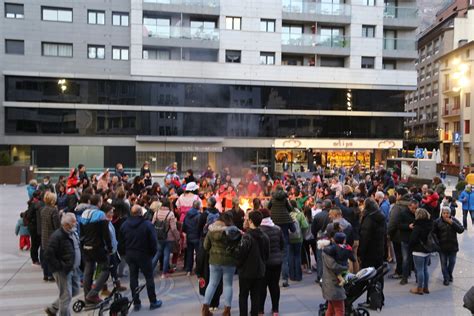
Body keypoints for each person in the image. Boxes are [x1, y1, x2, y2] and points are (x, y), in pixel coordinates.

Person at [120, 204, 162, 311]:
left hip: (130, 254)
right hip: (144, 255)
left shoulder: (125, 225)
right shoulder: (147, 225)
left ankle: (136, 302)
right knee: (149, 278)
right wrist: (152, 253)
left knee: (133, 278)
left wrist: (124, 253)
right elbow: (153, 242)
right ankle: (153, 301)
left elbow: (121, 242)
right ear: (140, 213)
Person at [44, 213, 81, 316]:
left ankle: (53, 308)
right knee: (66, 296)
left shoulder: (72, 233)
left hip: (73, 268)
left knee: (75, 290)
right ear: (67, 224)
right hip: (63, 271)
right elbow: (48, 254)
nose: (76, 223)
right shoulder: (57, 236)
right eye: (74, 222)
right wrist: (61, 266)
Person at [202, 212, 238, 316]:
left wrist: (212, 252)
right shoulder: (233, 231)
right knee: (228, 285)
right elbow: (237, 246)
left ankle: (205, 309)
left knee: (212, 284)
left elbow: (205, 246)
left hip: (214, 260)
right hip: (229, 261)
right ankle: (227, 311)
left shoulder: (211, 230)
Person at [235, 211, 270, 316]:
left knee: (243, 296)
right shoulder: (264, 236)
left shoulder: (246, 237)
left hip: (246, 271)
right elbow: (266, 255)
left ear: (250, 221)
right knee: (255, 296)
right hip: (259, 271)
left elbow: (240, 254)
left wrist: (239, 265)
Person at [80, 194, 112, 304]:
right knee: (105, 269)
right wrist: (110, 247)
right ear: (99, 202)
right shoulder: (100, 215)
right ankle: (93, 294)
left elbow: (82, 232)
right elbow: (105, 234)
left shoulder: (84, 213)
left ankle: (87, 295)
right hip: (97, 246)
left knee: (88, 270)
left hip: (86, 246)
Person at [267, 185, 295, 287]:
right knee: (284, 259)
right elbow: (290, 208)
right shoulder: (285, 199)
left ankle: (272, 278)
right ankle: (284, 279)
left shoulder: (273, 198)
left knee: (271, 256)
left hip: (274, 233)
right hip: (285, 236)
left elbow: (268, 207)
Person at [258, 208, 284, 316]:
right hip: (276, 262)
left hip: (264, 263)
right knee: (274, 286)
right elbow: (282, 244)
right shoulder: (277, 229)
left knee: (262, 288)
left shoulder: (259, 230)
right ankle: (275, 310)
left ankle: (260, 310)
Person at [433, 206, 464, 286]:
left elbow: (461, 229)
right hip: (442, 247)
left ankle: (449, 274)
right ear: (441, 213)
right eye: (444, 213)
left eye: (447, 213)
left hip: (453, 246)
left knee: (452, 262)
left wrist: (452, 223)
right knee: (443, 263)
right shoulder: (437, 222)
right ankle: (446, 278)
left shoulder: (453, 220)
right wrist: (437, 242)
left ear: (450, 214)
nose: (446, 215)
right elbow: (433, 233)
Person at [152, 200, 180, 278]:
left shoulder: (156, 212)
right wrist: (177, 237)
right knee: (166, 254)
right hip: (168, 237)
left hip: (158, 236)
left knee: (158, 253)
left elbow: (152, 224)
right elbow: (174, 228)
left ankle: (150, 270)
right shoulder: (170, 214)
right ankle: (164, 273)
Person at [387, 188, 410, 280]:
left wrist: (389, 233)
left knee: (399, 255)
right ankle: (406, 272)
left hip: (398, 235)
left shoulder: (398, 206)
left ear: (399, 195)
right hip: (409, 233)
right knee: (407, 255)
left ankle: (400, 272)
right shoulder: (411, 203)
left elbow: (392, 222)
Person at [409, 208, 433, 295]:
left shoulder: (418, 226)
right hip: (427, 250)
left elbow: (413, 239)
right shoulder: (430, 224)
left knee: (419, 270)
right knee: (425, 269)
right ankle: (426, 287)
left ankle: (419, 288)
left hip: (418, 251)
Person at [321, 238, 348, 316]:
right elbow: (334, 266)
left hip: (330, 284)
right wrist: (345, 267)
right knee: (339, 310)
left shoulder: (328, 250)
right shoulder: (330, 252)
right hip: (333, 285)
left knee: (331, 309)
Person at [40, 191, 61, 282]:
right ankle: (51, 275)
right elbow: (57, 225)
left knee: (45, 257)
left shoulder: (43, 209)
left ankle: (45, 274)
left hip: (44, 236)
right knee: (52, 257)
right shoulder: (54, 210)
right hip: (52, 237)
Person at [312, 199, 332, 283]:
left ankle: (320, 276)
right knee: (330, 258)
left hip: (320, 238)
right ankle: (329, 276)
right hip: (330, 238)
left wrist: (315, 235)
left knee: (320, 259)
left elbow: (313, 229)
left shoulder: (318, 216)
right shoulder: (331, 215)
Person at [398, 199, 418, 285]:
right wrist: (408, 226)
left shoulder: (418, 213)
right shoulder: (403, 213)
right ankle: (404, 277)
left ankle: (418, 278)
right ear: (409, 206)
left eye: (416, 208)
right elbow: (398, 225)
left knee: (416, 260)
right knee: (405, 259)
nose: (415, 210)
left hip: (415, 240)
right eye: (413, 208)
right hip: (405, 239)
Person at [288, 200, 309, 282]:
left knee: (290, 256)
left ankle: (292, 276)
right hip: (298, 238)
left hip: (289, 238)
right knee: (297, 256)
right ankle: (298, 276)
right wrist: (302, 234)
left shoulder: (287, 214)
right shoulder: (300, 214)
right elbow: (305, 226)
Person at [183, 200, 202, 275]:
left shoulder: (187, 214)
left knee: (189, 253)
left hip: (189, 235)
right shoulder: (199, 215)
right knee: (198, 254)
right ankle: (198, 269)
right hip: (197, 236)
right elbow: (200, 227)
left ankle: (188, 269)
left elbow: (184, 226)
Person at [26, 190, 43, 265]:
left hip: (35, 227)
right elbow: (29, 216)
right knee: (35, 244)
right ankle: (35, 259)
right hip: (34, 228)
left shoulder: (36, 203)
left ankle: (36, 258)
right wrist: (35, 221)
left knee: (37, 243)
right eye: (41, 195)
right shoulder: (34, 204)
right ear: (37, 196)